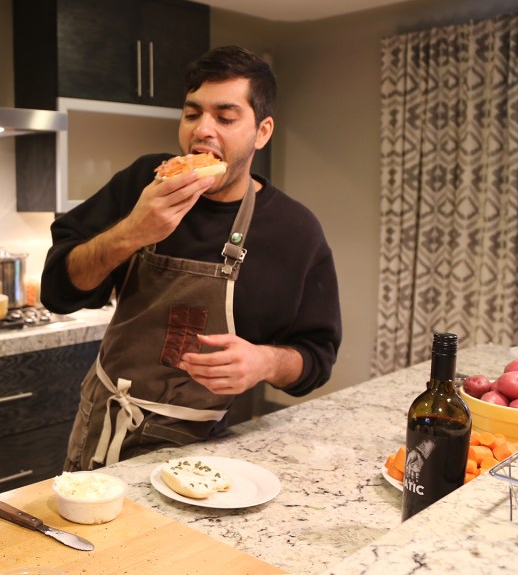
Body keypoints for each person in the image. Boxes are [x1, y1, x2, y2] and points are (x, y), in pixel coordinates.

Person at [40, 46, 342, 471]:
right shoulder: (144, 184)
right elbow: (58, 291)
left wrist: (264, 361)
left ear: (262, 131)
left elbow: (316, 358)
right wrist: (131, 232)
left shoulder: (295, 231)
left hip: (214, 448)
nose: (203, 130)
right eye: (192, 113)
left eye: (225, 116)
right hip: (107, 425)